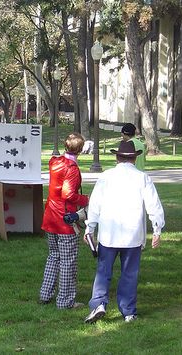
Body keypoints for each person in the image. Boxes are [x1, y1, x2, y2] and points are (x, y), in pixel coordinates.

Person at [83, 140, 165, 323]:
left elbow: (95, 204)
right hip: (132, 235)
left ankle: (99, 303)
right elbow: (154, 205)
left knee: (103, 271)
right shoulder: (142, 177)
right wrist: (157, 229)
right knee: (129, 273)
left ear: (116, 157)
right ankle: (128, 311)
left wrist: (90, 227)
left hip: (109, 234)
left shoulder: (106, 176)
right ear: (134, 158)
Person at [39, 132, 89, 309]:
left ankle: (45, 294)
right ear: (80, 150)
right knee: (68, 261)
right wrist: (85, 199)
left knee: (54, 256)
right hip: (65, 219)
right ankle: (65, 301)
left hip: (50, 215)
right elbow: (68, 194)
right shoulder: (72, 168)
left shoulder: (55, 162)